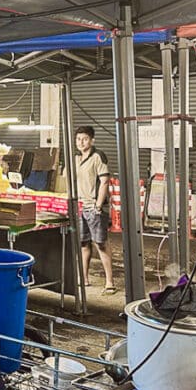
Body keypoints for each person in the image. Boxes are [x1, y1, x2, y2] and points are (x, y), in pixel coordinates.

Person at [73, 126, 115, 294]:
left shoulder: (98, 156)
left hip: (95, 208)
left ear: (92, 140)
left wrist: (98, 205)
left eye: (84, 139)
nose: (81, 142)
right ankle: (84, 279)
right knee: (83, 244)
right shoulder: (76, 158)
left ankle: (110, 282)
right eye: (78, 139)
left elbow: (104, 181)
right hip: (80, 206)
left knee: (101, 244)